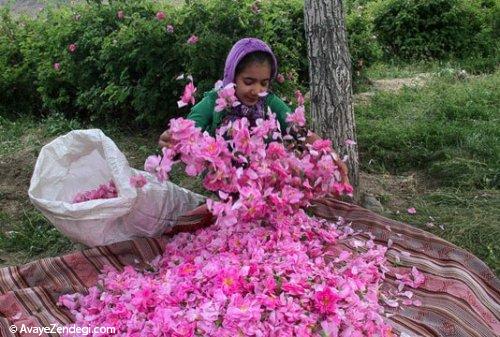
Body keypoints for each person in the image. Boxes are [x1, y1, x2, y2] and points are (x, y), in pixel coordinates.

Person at [158, 38, 348, 231]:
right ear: (232, 77)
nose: (257, 90)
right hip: (227, 181)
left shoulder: (269, 103)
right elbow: (189, 127)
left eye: (264, 83)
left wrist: (330, 155)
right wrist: (173, 137)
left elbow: (300, 133)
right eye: (248, 82)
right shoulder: (215, 101)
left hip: (267, 181)